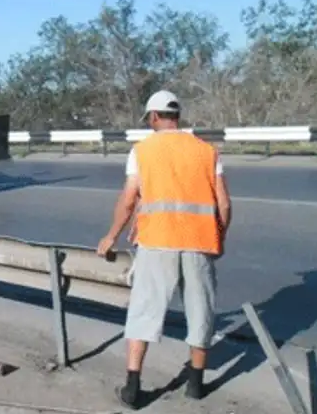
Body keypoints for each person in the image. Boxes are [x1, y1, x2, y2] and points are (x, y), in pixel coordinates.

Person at [96, 90, 232, 409]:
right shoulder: (206, 151)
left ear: (154, 117)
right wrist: (219, 239)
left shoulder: (142, 151)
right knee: (201, 313)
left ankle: (132, 388)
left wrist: (110, 236)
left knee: (144, 311)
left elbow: (130, 199)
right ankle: (196, 386)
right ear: (177, 116)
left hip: (157, 242)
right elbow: (224, 204)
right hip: (199, 243)